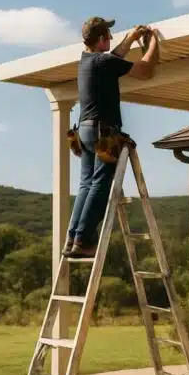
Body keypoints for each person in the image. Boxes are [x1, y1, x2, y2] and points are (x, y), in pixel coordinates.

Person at [63, 17, 161, 258]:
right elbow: (146, 71)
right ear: (100, 40)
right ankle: (84, 240)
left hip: (85, 130)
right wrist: (153, 43)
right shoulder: (103, 62)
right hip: (102, 132)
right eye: (108, 35)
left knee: (86, 184)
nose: (112, 38)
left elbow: (114, 58)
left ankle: (73, 239)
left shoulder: (88, 61)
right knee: (99, 185)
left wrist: (131, 38)